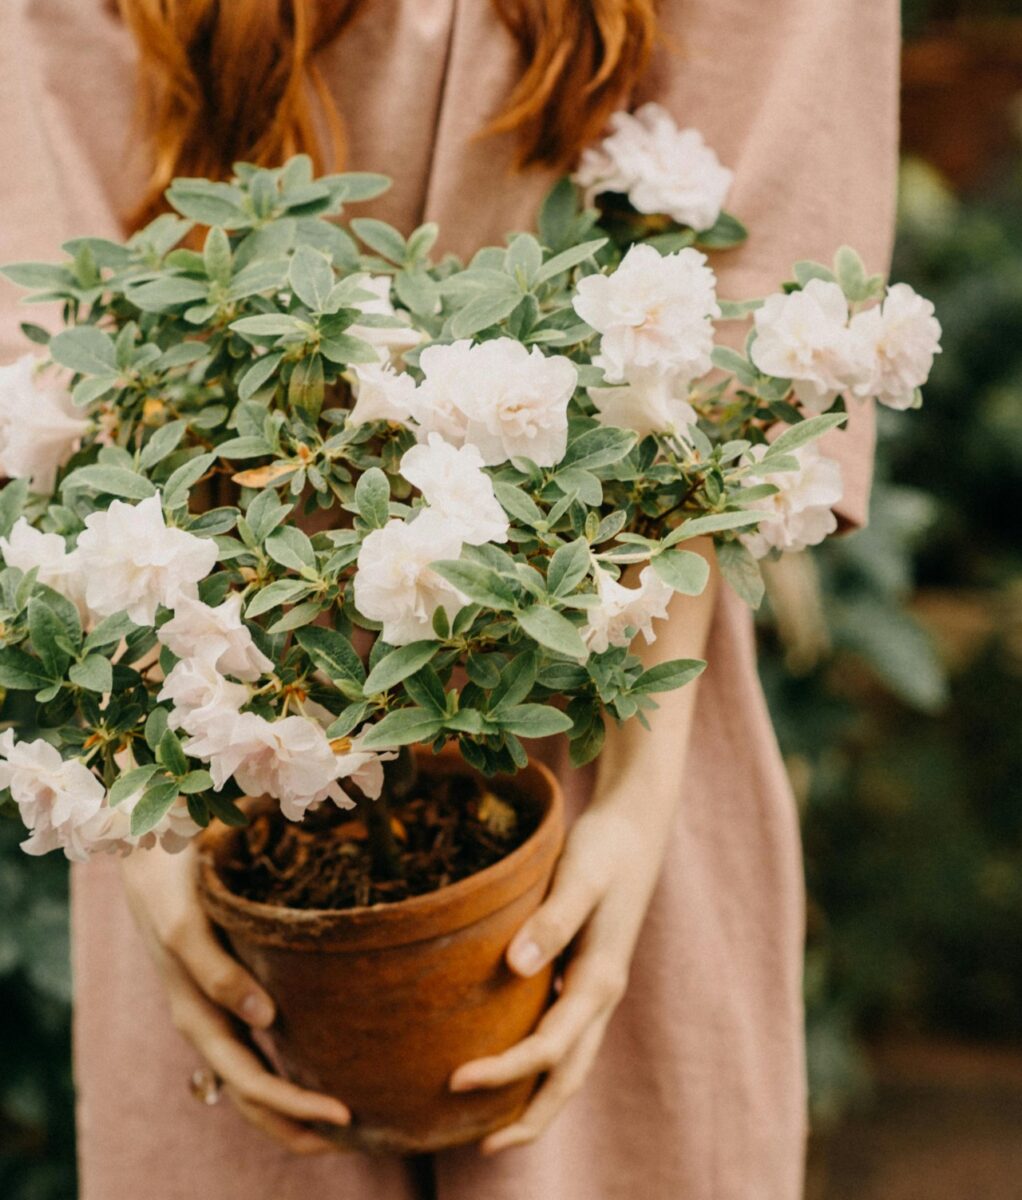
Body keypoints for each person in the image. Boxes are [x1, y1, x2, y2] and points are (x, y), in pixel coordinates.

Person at [0, 1, 899, 1196]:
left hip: (586, 691)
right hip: (213, 708)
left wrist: (630, 814)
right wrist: (155, 833)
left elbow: (737, 335)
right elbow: (56, 332)